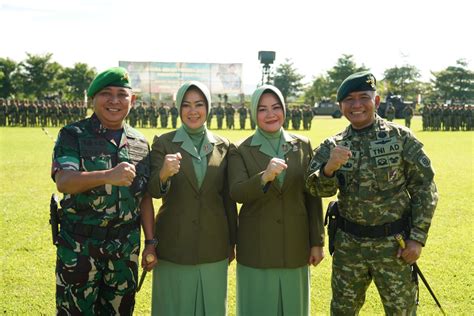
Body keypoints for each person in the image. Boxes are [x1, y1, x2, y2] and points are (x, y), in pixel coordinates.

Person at [305, 71, 438, 315]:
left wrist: (417, 238)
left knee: (402, 311)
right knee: (343, 310)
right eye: (349, 100)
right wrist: (328, 169)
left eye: (363, 97)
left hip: (394, 246)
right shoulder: (332, 145)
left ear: (376, 102)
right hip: (349, 247)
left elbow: (425, 187)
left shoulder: (401, 138)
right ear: (341, 106)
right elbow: (314, 188)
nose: (356, 105)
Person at [51, 67, 157, 315]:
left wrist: (151, 242)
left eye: (122, 94)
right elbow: (64, 181)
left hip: (124, 249)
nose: (114, 100)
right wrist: (108, 176)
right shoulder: (73, 134)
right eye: (106, 93)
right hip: (80, 248)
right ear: (93, 98)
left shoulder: (140, 143)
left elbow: (144, 198)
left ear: (132, 100)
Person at [228, 84, 325, 316]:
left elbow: (312, 195)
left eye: (276, 107)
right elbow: (237, 192)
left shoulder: (302, 145)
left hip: (296, 246)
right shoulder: (240, 149)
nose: (270, 114)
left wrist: (317, 241)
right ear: (253, 113)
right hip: (257, 249)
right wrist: (264, 177)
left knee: (294, 308)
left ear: (284, 109)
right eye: (262, 109)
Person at [148, 81, 237, 316]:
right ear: (178, 109)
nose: (193, 110)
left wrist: (232, 242)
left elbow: (228, 200)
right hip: (173, 244)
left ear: (208, 108)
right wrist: (163, 173)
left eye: (199, 104)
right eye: (186, 105)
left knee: (212, 307)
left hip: (214, 245)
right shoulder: (164, 142)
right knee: (174, 307)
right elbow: (152, 190)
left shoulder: (224, 146)